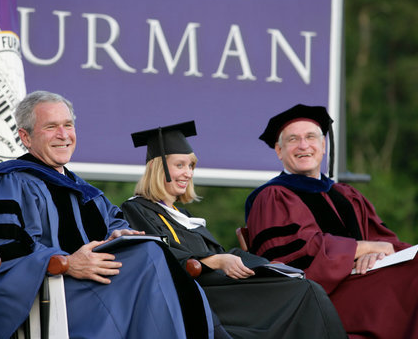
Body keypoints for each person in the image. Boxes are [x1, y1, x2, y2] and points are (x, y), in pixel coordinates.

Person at [0, 91, 214, 339]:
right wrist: (65, 263)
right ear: (26, 137)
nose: (63, 135)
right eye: (51, 127)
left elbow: (116, 225)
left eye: (68, 125)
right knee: (149, 259)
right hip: (46, 297)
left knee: (147, 251)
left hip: (98, 288)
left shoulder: (87, 192)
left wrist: (120, 235)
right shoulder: (7, 183)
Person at [120, 121, 348, 339]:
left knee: (302, 287)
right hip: (197, 296)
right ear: (158, 168)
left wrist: (266, 266)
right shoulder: (137, 209)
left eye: (190, 166)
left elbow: (221, 253)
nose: (188, 173)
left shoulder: (184, 216)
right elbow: (159, 258)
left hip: (220, 289)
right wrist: (217, 262)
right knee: (304, 292)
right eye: (179, 165)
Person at [245, 104, 418, 338]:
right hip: (317, 296)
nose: (303, 145)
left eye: (311, 137)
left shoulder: (346, 194)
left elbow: (384, 240)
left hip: (364, 282)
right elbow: (298, 255)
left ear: (322, 146)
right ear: (279, 150)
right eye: (293, 139)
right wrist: (365, 248)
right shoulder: (272, 197)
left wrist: (378, 254)